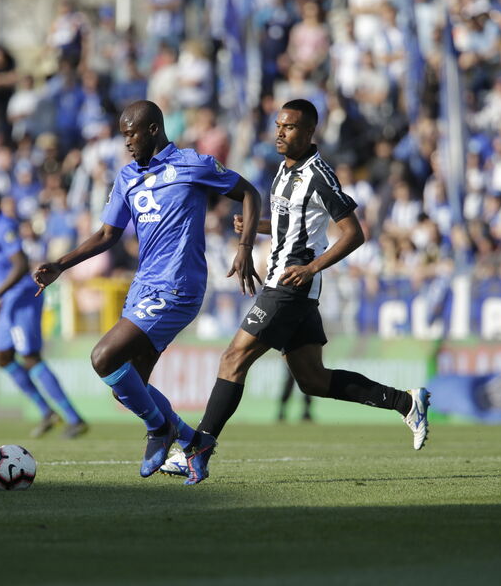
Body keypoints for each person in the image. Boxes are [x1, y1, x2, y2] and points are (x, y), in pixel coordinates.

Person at [172, 99, 430, 485]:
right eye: (278, 125)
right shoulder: (283, 170)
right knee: (312, 380)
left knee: (233, 358)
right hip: (292, 287)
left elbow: (354, 233)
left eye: (289, 127)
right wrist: (254, 226)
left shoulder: (320, 175)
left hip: (288, 286)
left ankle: (197, 450)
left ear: (309, 133)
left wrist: (311, 267)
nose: (280, 132)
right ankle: (405, 402)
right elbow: (288, 225)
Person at [33, 100, 262, 477]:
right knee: (127, 386)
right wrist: (62, 264)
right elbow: (108, 234)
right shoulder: (127, 177)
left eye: (130, 134)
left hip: (177, 288)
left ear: (153, 129)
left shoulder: (194, 165)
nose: (126, 143)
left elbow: (249, 193)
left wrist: (245, 248)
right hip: (142, 289)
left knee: (103, 357)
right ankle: (193, 441)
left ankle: (161, 428)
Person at [0, 187, 88, 438]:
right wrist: (2, 301)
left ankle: (73, 418)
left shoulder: (4, 227)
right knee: (3, 358)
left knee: (30, 357)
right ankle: (47, 413)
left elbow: (20, 266)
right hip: (10, 301)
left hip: (23, 298)